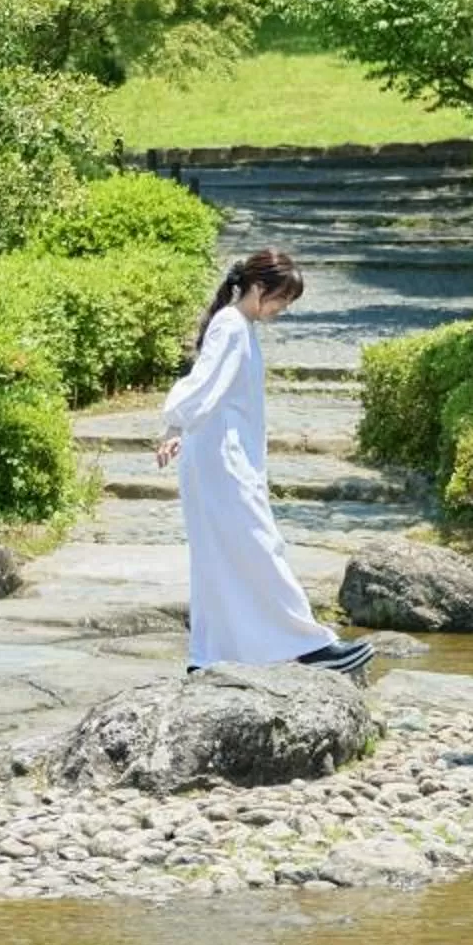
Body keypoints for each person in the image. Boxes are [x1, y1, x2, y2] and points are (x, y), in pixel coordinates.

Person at [155, 249, 373, 679]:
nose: (282, 310)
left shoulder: (237, 326)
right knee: (257, 545)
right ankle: (309, 644)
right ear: (258, 289)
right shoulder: (232, 327)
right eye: (281, 300)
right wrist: (174, 422)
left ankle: (210, 654)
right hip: (222, 459)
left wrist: (177, 426)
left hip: (219, 454)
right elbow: (204, 383)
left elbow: (210, 385)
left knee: (222, 552)